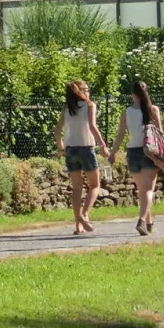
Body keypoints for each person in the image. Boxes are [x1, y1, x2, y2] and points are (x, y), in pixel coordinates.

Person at [110, 80, 164, 236]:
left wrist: (113, 153)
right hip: (149, 152)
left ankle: (149, 224)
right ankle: (141, 220)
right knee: (148, 190)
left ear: (132, 95)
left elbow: (120, 135)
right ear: (146, 92)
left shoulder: (126, 112)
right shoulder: (153, 109)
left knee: (142, 191)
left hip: (132, 152)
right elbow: (160, 133)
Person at [55, 79, 108, 234]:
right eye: (87, 89)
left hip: (70, 149)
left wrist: (60, 148)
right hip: (86, 148)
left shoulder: (67, 108)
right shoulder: (89, 105)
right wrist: (103, 146)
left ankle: (78, 225)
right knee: (95, 185)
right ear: (81, 91)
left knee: (77, 188)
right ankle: (84, 214)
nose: (89, 91)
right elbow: (92, 126)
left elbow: (57, 131)